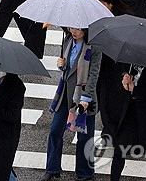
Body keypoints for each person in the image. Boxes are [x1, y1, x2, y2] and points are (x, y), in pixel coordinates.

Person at [41, 28, 100, 181]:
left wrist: (86, 99)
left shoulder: (94, 47)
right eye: (72, 27)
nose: (74, 31)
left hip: (83, 97)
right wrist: (61, 65)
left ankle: (85, 173)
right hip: (65, 94)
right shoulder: (67, 40)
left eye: (78, 29)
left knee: (84, 137)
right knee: (55, 130)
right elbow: (67, 69)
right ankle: (52, 168)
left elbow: (94, 74)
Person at [111, 65, 146, 181]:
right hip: (131, 113)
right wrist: (125, 77)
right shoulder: (132, 61)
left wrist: (134, 89)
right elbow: (121, 73)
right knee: (119, 150)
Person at [94, 0, 131, 147]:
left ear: (110, 4)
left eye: (101, 3)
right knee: (104, 99)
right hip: (103, 64)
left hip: (119, 64)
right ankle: (108, 129)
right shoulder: (97, 18)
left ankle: (117, 130)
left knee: (117, 100)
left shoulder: (122, 19)